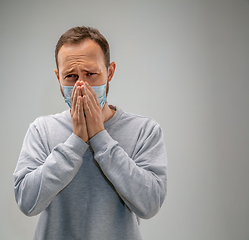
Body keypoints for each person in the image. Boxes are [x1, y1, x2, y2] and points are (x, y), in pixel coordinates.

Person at [13, 26, 168, 240]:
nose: (81, 85)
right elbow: (27, 203)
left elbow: (150, 205)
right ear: (58, 77)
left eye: (91, 74)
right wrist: (75, 142)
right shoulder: (42, 130)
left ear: (109, 72)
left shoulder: (145, 131)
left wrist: (100, 137)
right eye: (70, 76)